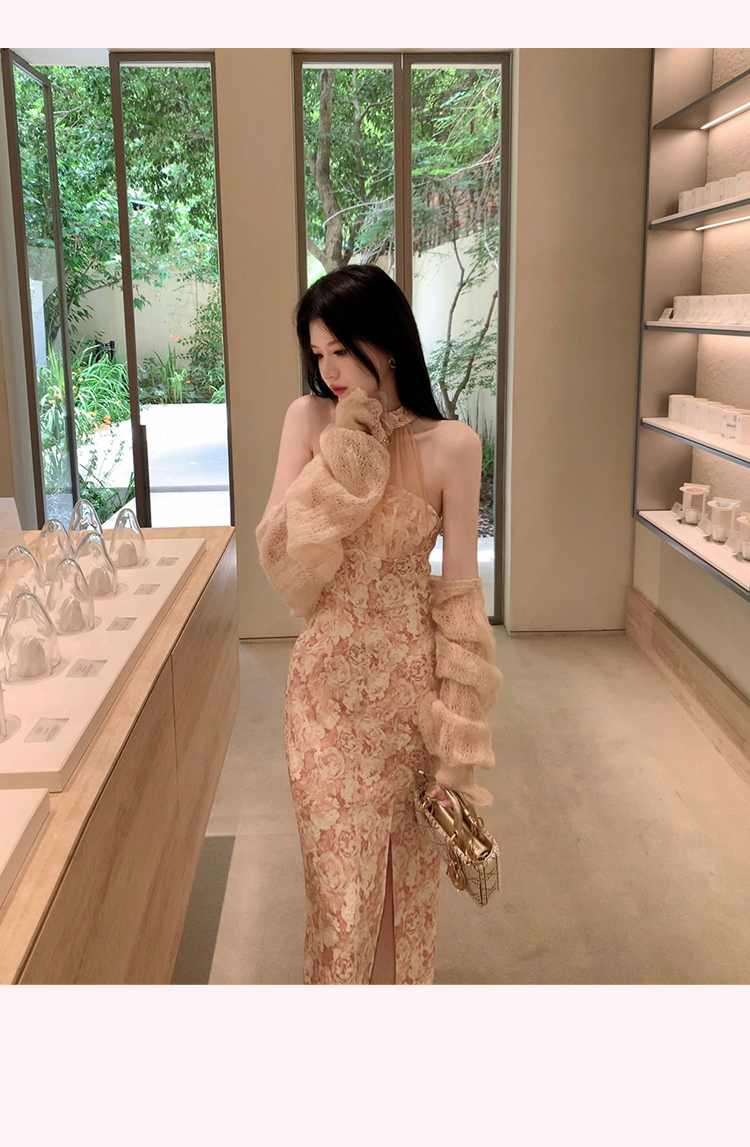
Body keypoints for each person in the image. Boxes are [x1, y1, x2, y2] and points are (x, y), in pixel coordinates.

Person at [255, 264, 502, 985]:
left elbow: (460, 599)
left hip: (406, 700)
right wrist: (344, 453)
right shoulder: (308, 421)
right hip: (323, 697)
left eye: (342, 350)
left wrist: (454, 752)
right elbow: (279, 553)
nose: (329, 370)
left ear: (387, 343)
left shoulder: (453, 445)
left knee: (400, 890)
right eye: (318, 354)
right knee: (339, 899)